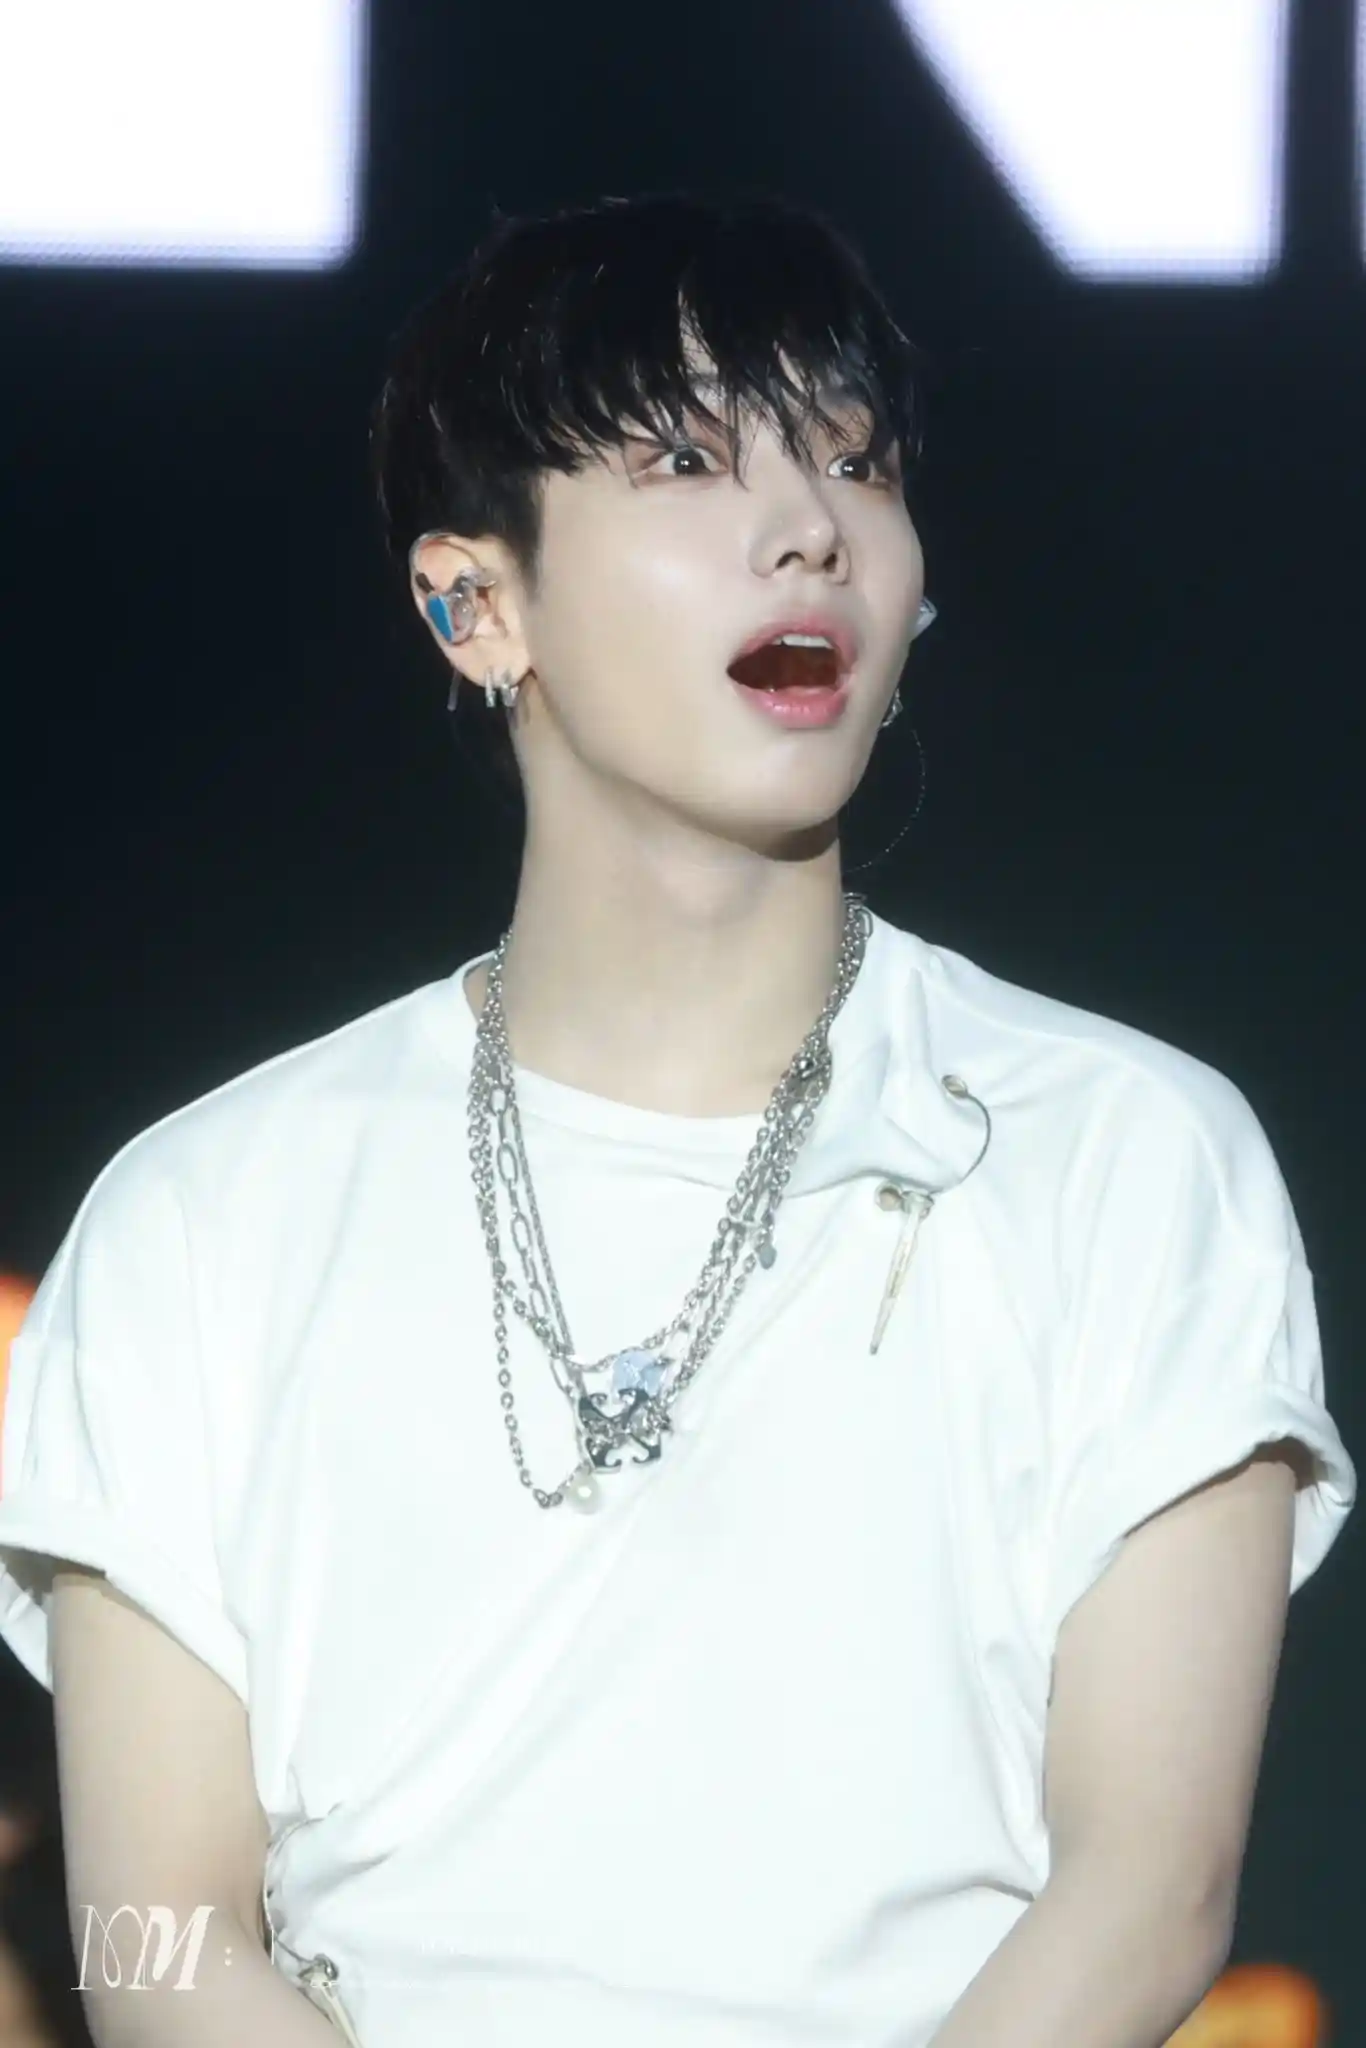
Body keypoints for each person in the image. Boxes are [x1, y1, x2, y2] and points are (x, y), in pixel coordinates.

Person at [0, 189, 1355, 2048]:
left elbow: (1152, 1890)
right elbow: (149, 1941)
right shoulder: (202, 1216)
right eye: (688, 464)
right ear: (474, 604)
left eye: (857, 464)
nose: (809, 529)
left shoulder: (1125, 1155)